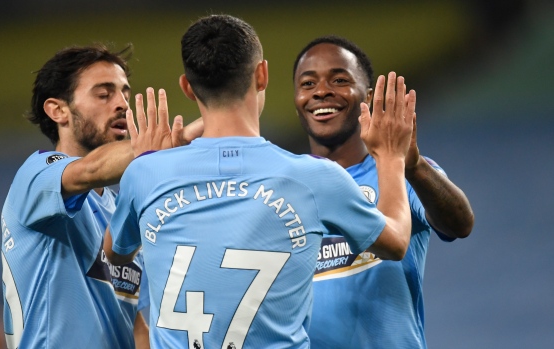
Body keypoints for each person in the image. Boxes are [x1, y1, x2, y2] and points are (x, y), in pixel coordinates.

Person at [105, 14, 416, 348]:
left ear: (187, 87)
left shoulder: (146, 173)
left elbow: (116, 252)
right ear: (262, 75)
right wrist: (392, 156)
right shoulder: (312, 178)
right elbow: (396, 242)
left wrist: (160, 160)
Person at [0, 44, 201, 348]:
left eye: (124, 93)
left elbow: (135, 324)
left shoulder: (124, 207)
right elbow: (89, 170)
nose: (122, 104)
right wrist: (172, 143)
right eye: (104, 94)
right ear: (58, 110)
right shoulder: (36, 176)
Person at [293, 35, 475, 348]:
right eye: (308, 84)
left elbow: (460, 224)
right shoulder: (284, 184)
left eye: (339, 79)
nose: (321, 92)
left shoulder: (398, 174)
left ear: (368, 96)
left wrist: (413, 167)